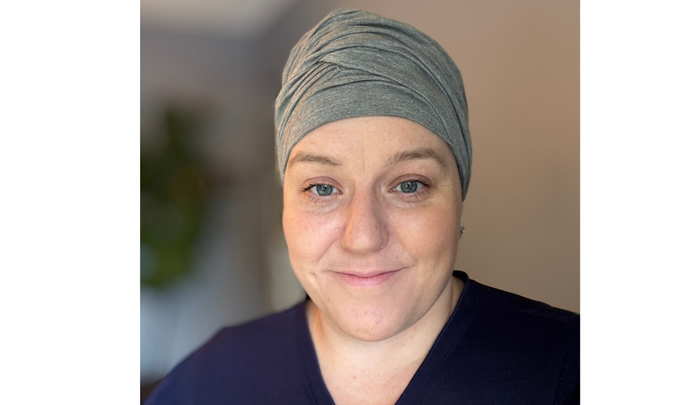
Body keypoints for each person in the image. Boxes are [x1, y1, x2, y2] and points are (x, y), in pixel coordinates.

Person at [145, 8, 579, 405]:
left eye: (409, 185)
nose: (364, 237)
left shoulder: (571, 369)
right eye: (322, 188)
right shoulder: (208, 382)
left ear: (457, 201)